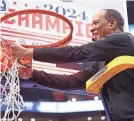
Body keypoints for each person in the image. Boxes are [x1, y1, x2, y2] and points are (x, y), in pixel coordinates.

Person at [9, 9, 134, 121]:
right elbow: (69, 82)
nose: (91, 28)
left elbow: (76, 53)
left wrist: (28, 52)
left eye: (96, 23)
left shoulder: (123, 39)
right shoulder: (101, 64)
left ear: (112, 24)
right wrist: (32, 74)